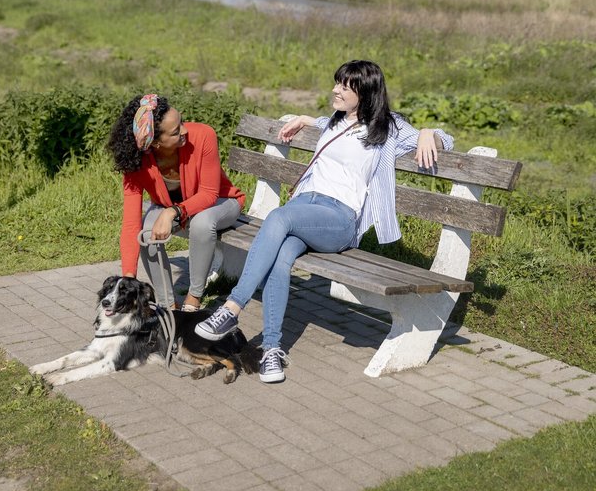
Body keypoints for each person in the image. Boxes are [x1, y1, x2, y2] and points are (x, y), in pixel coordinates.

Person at [195, 60, 454, 383]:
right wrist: (304, 119)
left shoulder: (387, 128)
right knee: (280, 258)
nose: (335, 90)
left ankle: (232, 308)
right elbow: (319, 122)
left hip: (338, 220)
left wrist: (428, 134)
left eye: (344, 87)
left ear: (365, 93)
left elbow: (446, 140)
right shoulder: (336, 120)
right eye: (336, 83)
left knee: (278, 216)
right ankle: (272, 349)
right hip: (305, 209)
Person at [108, 94, 245, 311]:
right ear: (155, 142)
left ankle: (194, 297)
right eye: (175, 131)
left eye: (181, 122)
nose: (184, 130)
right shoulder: (137, 162)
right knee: (146, 231)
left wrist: (172, 212)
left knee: (202, 222)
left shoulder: (203, 135)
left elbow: (209, 193)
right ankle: (168, 306)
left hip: (221, 202)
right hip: (178, 208)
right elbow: (130, 224)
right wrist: (128, 278)